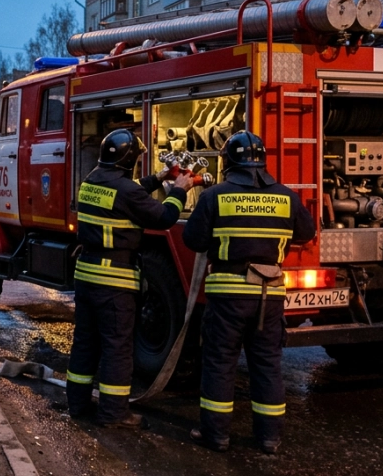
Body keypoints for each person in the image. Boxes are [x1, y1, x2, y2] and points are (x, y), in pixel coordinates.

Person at [182, 130, 315, 454]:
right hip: (269, 296)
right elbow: (307, 232)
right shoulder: (286, 197)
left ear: (228, 162)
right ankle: (269, 438)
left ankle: (217, 436)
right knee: (268, 363)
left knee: (220, 362)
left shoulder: (215, 196)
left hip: (227, 297)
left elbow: (194, 241)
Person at [67, 129, 193, 427]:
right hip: (115, 282)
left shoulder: (90, 182)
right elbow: (164, 217)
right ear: (128, 161)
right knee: (117, 347)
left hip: (86, 275)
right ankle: (113, 414)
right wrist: (179, 189)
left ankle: (77, 404)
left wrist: (159, 177)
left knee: (85, 343)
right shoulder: (126, 191)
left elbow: (128, 192)